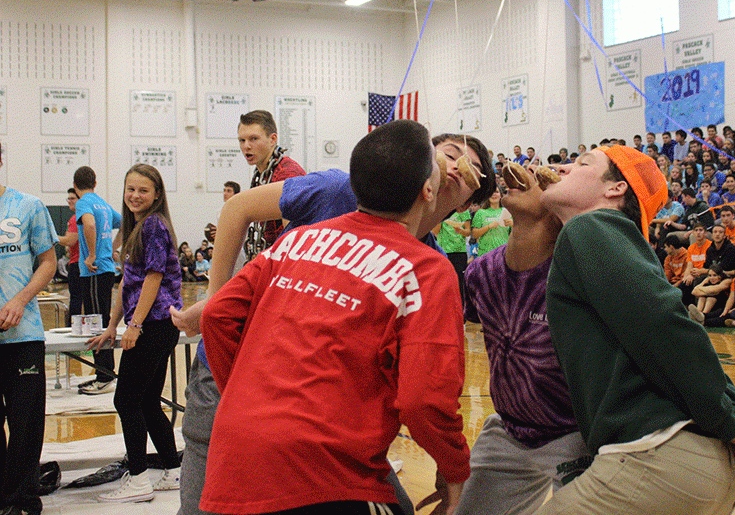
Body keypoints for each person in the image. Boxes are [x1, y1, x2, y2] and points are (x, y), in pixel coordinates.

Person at [171, 132, 495, 515]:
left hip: (263, 423)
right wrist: (454, 467)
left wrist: (248, 400)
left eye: (472, 166)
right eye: (451, 154)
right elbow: (424, 397)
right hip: (297, 442)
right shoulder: (421, 267)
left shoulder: (303, 241)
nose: (458, 166)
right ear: (428, 182)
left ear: (471, 200)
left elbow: (220, 315)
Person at [534, 145, 735, 515]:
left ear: (614, 189)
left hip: (656, 458)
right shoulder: (617, 242)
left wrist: (728, 422)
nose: (562, 167)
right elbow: (670, 325)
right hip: (697, 464)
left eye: (582, 163)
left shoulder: (590, 226)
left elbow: (664, 326)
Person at [449, 164, 591, 515]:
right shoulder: (480, 273)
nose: (524, 176)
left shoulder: (577, 273)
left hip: (576, 434)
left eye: (542, 181)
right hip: (508, 427)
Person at [86, 164, 183, 502]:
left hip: (155, 323)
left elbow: (154, 278)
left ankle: (139, 478)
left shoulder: (154, 225)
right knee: (146, 400)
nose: (135, 196)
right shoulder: (137, 227)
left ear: (156, 194)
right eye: (131, 189)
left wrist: (136, 325)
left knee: (125, 398)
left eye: (143, 190)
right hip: (152, 324)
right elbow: (128, 281)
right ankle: (172, 469)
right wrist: (113, 325)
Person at [0, 141, 58, 515]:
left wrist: (20, 300)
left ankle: (21, 498)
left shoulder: (27, 206)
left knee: (25, 422)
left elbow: (49, 261)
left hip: (22, 335)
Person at [73, 165, 122, 395]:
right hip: (106, 269)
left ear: (75, 185)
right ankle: (104, 372)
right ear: (95, 183)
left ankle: (104, 375)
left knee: (96, 320)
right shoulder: (103, 203)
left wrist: (92, 254)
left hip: (94, 269)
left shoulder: (84, 203)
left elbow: (90, 224)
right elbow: (125, 223)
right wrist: (112, 248)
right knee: (101, 318)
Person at [238, 110, 306, 260]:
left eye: (253, 138)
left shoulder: (288, 175)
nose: (246, 146)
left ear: (272, 139)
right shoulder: (262, 173)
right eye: (242, 140)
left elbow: (295, 237)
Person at [434, 208, 471, 305]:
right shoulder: (442, 209)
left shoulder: (464, 210)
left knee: (459, 283)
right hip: (443, 251)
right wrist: (440, 219)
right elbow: (435, 231)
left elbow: (468, 232)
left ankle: (461, 314)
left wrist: (460, 230)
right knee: (443, 283)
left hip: (459, 251)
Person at [57, 188, 82, 325]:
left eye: (72, 198)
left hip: (77, 264)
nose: (69, 201)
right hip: (79, 262)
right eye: (69, 198)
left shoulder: (76, 218)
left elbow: (70, 241)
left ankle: (73, 327)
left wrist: (51, 237)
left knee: (76, 299)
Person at [471, 188, 511, 257]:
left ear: (500, 195)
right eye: (491, 192)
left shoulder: (507, 211)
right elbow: (474, 234)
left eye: (496, 192)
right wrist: (488, 226)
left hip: (503, 254)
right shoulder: (481, 212)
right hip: (485, 254)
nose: (494, 194)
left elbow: (515, 234)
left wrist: (513, 225)